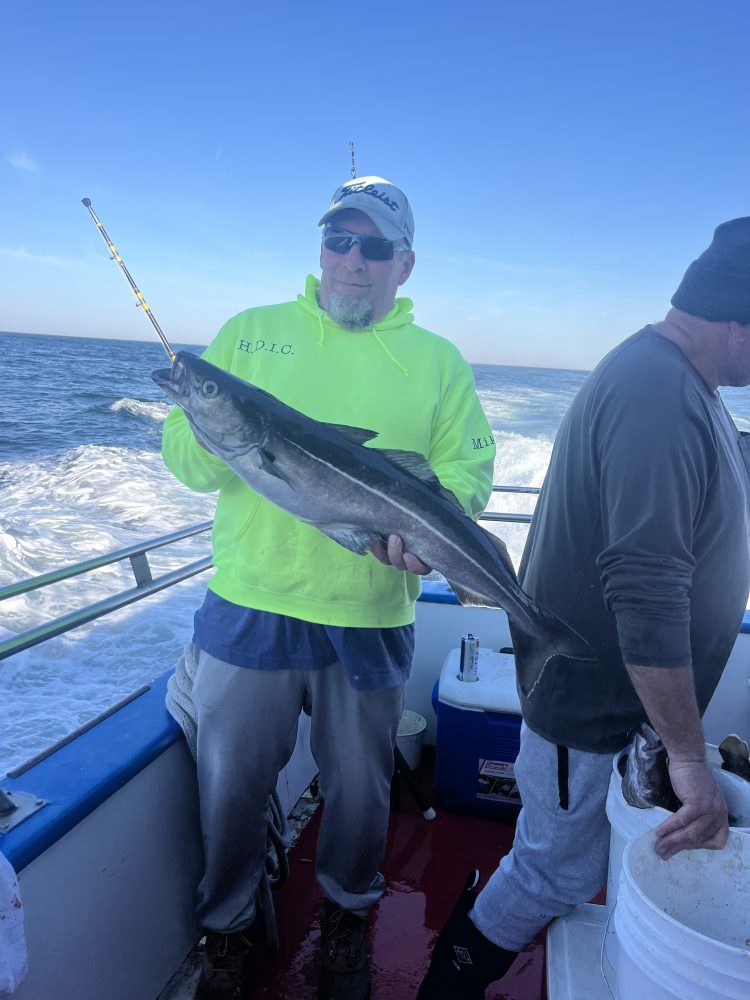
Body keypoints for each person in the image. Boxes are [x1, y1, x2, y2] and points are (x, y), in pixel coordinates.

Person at [160, 175, 496, 999]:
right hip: (251, 607)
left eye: (374, 246)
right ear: (321, 249)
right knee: (231, 790)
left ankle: (349, 916)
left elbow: (470, 474)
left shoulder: (438, 363)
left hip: (371, 615)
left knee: (357, 793)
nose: (352, 260)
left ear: (403, 264)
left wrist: (428, 536)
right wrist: (204, 418)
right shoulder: (249, 333)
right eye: (338, 241)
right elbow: (186, 459)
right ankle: (230, 929)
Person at [417, 216, 750, 998]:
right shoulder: (654, 392)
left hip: (628, 711)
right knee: (550, 871)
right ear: (739, 320)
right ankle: (446, 986)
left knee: (569, 862)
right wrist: (692, 760)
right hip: (592, 708)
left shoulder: (684, 387)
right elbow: (645, 587)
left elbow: (723, 459)